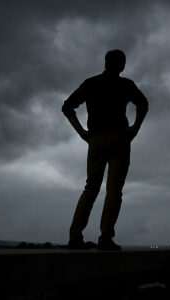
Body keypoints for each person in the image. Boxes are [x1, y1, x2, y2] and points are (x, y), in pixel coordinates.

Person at [62, 49, 148, 250]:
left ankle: (75, 236)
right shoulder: (126, 85)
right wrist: (135, 128)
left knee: (90, 188)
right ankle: (106, 237)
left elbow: (67, 107)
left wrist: (82, 132)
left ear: (105, 63)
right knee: (114, 191)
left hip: (96, 140)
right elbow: (143, 104)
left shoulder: (91, 83)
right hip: (119, 139)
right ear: (122, 65)